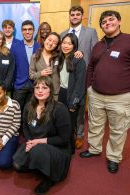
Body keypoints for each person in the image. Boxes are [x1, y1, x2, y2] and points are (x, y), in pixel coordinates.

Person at [80, 10, 130, 174]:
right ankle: (94, 149)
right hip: (96, 95)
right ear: (100, 26)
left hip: (120, 97)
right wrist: (89, 87)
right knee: (95, 125)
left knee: (118, 129)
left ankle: (114, 157)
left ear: (119, 21)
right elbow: (91, 66)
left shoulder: (128, 40)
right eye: (104, 21)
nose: (107, 23)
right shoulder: (98, 45)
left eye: (111, 19)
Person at [13, 76, 71, 195]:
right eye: (37, 87)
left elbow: (64, 139)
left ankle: (49, 179)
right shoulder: (29, 106)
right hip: (35, 144)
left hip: (57, 148)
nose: (40, 90)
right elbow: (25, 128)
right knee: (17, 165)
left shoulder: (59, 109)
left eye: (44, 87)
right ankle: (40, 163)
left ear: (50, 90)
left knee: (38, 151)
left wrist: (38, 142)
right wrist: (30, 142)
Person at [60, 5, 98, 149]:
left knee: (79, 111)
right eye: (72, 14)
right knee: (67, 113)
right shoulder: (64, 33)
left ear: (82, 16)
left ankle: (79, 135)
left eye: (77, 14)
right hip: (67, 77)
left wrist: (81, 54)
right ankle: (68, 135)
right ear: (69, 16)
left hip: (82, 75)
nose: (75, 16)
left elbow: (95, 54)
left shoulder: (91, 32)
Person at [58, 33, 86, 155]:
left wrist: (73, 103)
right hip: (61, 93)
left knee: (70, 125)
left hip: (72, 95)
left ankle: (70, 150)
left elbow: (80, 85)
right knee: (62, 122)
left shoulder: (79, 60)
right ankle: (63, 146)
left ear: (74, 45)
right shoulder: (60, 58)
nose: (66, 46)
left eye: (69, 43)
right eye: (64, 43)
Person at [11, 20, 40, 112]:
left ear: (34, 30)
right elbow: (12, 67)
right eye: (25, 29)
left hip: (35, 84)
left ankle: (27, 126)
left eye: (30, 29)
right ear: (22, 31)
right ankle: (19, 127)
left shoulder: (40, 47)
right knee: (17, 111)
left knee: (31, 110)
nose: (27, 32)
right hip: (19, 85)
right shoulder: (15, 46)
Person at [29, 32, 60, 99]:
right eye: (49, 40)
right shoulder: (35, 56)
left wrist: (79, 52)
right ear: (45, 40)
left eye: (54, 42)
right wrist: (41, 73)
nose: (51, 43)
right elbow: (31, 75)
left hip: (55, 92)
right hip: (41, 93)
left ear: (57, 46)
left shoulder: (59, 57)